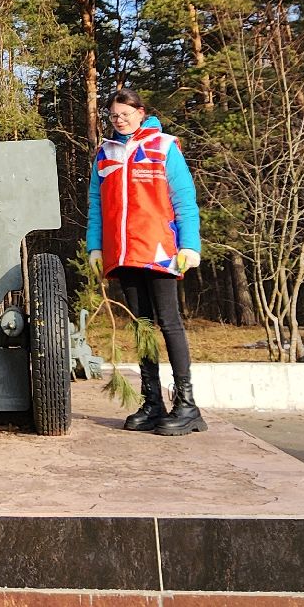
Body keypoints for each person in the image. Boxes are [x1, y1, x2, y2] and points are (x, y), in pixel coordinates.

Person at [85, 88, 204, 435]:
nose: (119, 120)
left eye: (125, 114)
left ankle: (187, 404)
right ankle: (152, 401)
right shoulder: (104, 154)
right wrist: (96, 247)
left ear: (141, 112)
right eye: (113, 116)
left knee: (169, 323)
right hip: (122, 253)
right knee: (142, 327)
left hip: (159, 250)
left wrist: (190, 245)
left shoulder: (164, 146)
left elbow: (184, 200)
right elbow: (96, 205)